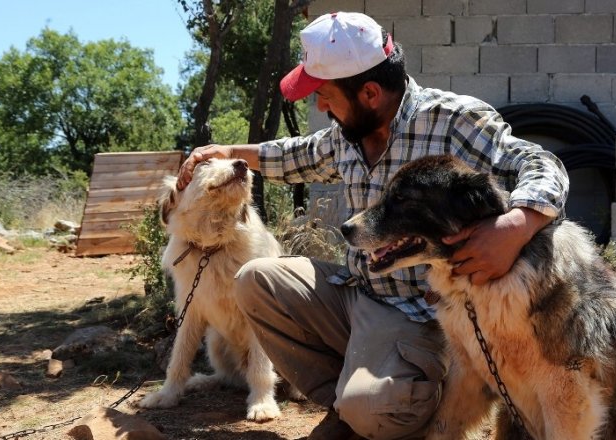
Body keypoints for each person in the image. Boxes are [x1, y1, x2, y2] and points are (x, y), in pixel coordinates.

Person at [176, 11, 569, 440]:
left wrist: (516, 225)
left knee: (375, 413)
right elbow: (293, 156)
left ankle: (389, 403)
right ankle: (348, 403)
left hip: (421, 315)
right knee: (256, 279)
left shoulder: (455, 121)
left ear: (369, 92)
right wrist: (223, 151)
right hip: (357, 294)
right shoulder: (346, 133)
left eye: (325, 94)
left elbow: (540, 162)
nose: (320, 106)